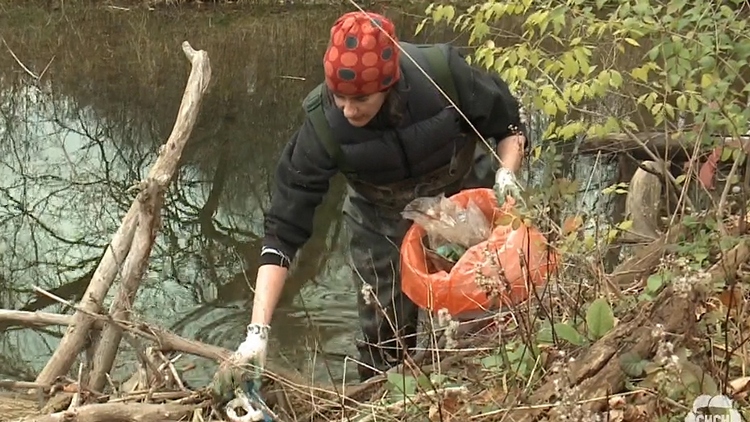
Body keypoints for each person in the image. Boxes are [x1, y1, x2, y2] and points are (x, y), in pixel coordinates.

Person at [209, 10, 528, 400]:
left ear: (390, 84)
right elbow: (283, 231)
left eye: (360, 98)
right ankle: (382, 400)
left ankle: (479, 395)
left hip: (460, 199)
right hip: (380, 218)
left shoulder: (442, 76)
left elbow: (508, 125)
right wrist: (256, 335)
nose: (348, 109)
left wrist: (506, 176)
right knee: (385, 340)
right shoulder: (323, 125)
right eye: (339, 96)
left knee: (480, 317)